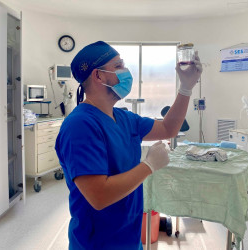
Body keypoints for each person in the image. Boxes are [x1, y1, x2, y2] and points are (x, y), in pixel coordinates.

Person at [55, 41, 202, 250]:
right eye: (118, 66)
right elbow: (99, 196)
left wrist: (186, 88)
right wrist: (148, 166)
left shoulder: (123, 118)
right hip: (97, 244)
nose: (126, 71)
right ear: (98, 75)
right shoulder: (80, 126)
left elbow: (169, 128)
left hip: (130, 238)